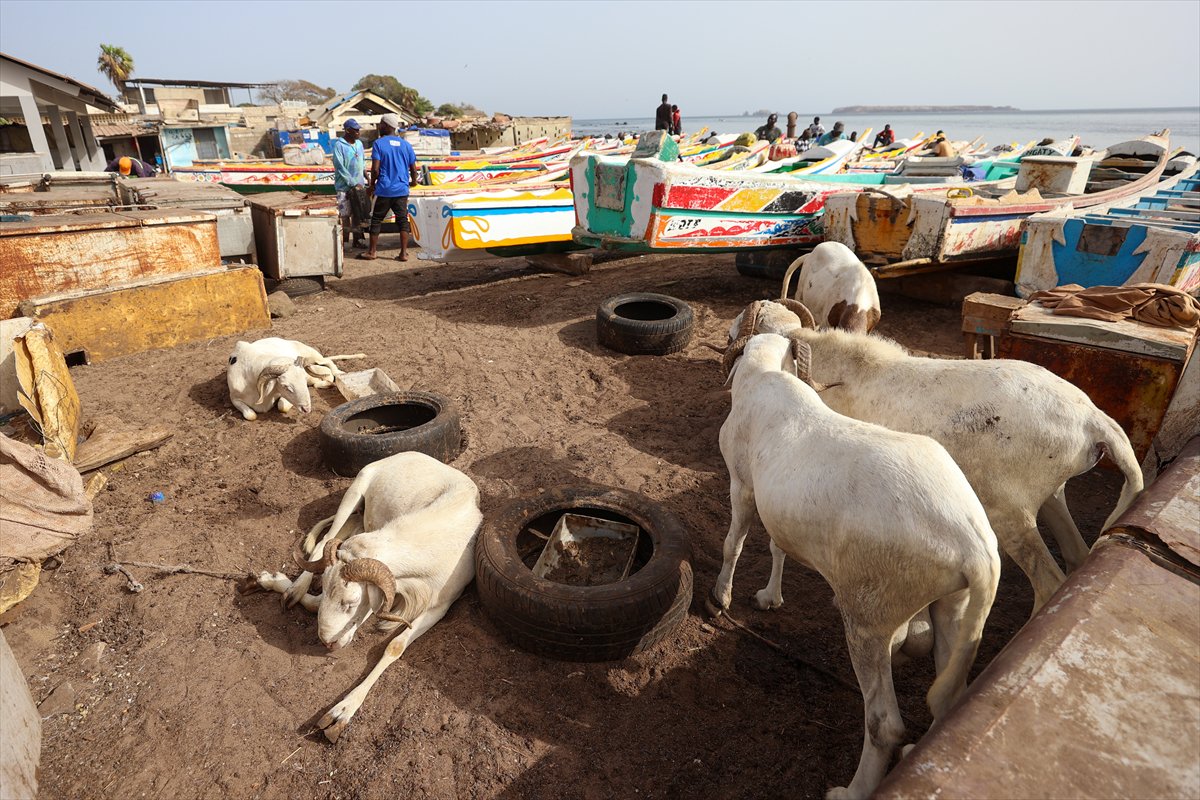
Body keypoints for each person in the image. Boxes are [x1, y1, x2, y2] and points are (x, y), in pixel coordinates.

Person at [362, 113, 419, 262]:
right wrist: (413, 182)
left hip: (385, 189)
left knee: (376, 220)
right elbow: (413, 169)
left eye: (381, 124)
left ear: (387, 126)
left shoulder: (379, 144)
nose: (379, 126)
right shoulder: (406, 145)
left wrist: (371, 186)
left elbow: (375, 169)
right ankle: (403, 253)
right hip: (401, 189)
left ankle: (372, 252)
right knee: (402, 221)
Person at [332, 119, 366, 250]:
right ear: (347, 130)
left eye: (358, 129)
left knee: (358, 214)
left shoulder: (359, 144)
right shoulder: (339, 146)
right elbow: (339, 167)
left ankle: (357, 240)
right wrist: (352, 183)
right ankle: (344, 241)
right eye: (355, 130)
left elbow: (362, 162)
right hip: (344, 187)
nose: (358, 132)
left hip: (359, 186)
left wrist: (365, 176)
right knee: (345, 215)